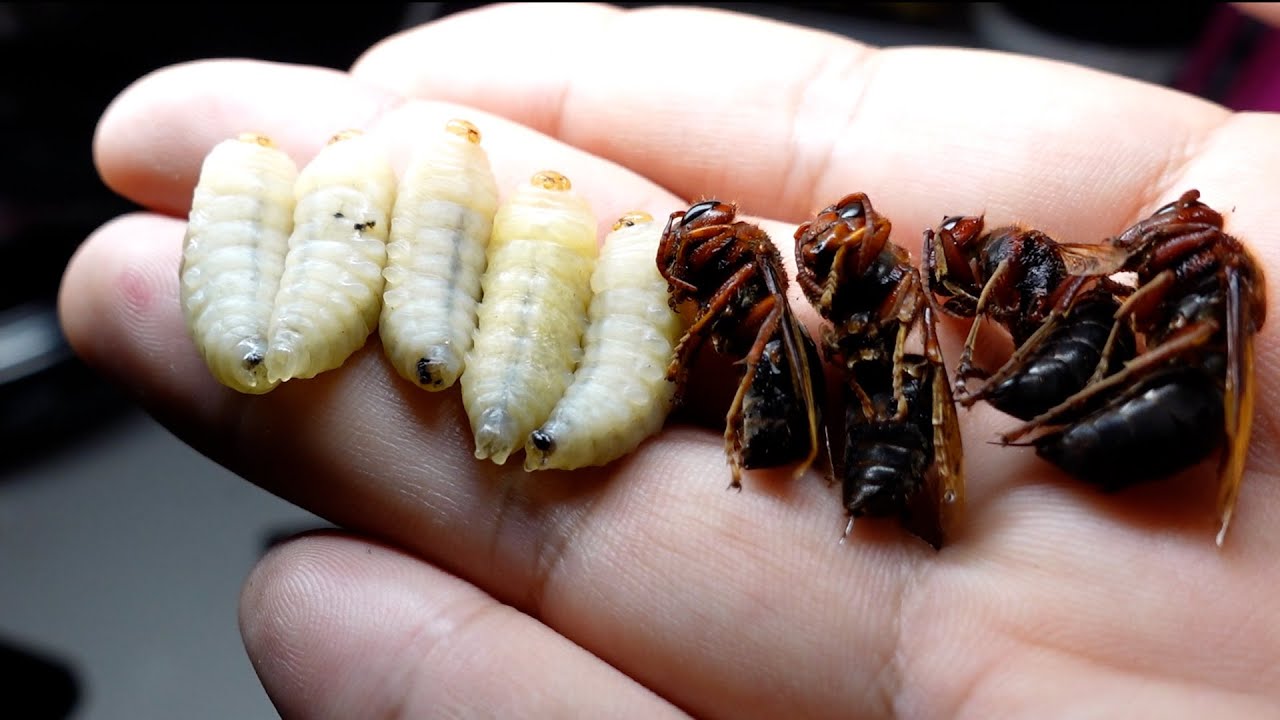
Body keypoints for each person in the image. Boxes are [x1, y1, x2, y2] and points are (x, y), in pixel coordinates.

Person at [59, 4, 1280, 717]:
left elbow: (938, 323)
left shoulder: (1164, 298)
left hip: (1046, 413)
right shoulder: (887, 299)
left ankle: (985, 430)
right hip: (972, 405)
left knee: (895, 382)